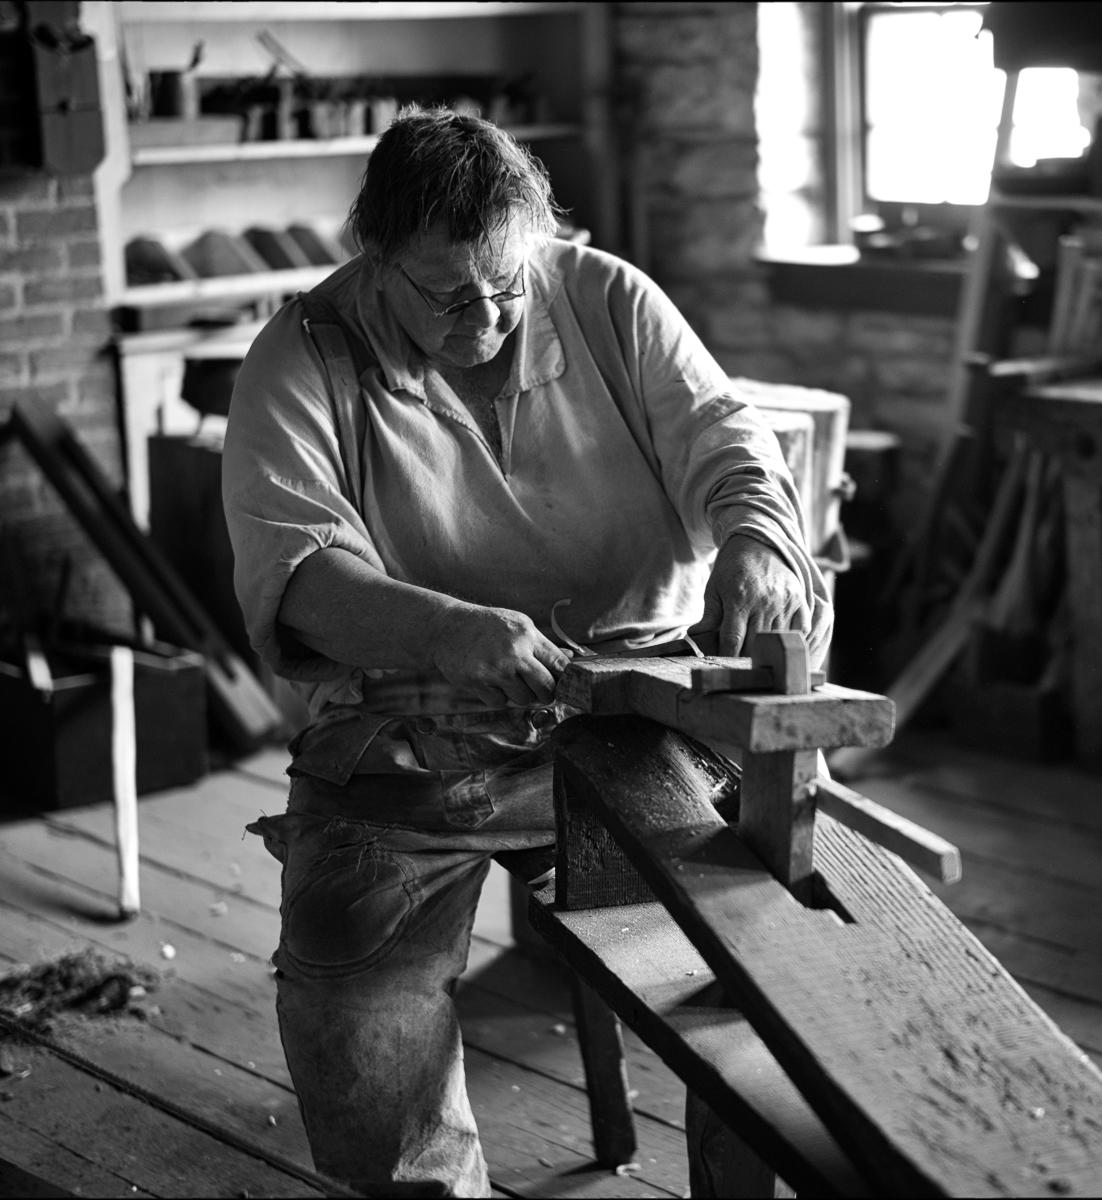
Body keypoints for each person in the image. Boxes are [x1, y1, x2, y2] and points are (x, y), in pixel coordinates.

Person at [221, 105, 833, 1196]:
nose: (490, 314)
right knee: (347, 965)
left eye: (508, 280)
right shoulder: (304, 353)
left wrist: (757, 539)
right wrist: (446, 631)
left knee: (776, 940)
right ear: (376, 261)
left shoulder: (604, 297)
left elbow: (727, 442)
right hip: (418, 725)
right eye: (447, 293)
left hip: (644, 704)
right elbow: (299, 575)